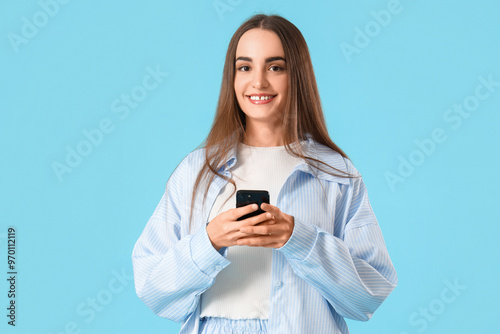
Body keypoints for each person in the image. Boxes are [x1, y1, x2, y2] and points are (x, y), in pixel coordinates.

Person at [132, 13, 397, 334]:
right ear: (232, 77)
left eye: (275, 67)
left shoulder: (336, 173)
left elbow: (368, 296)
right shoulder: (196, 170)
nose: (258, 82)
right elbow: (152, 287)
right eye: (245, 67)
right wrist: (210, 241)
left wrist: (298, 238)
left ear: (296, 75)